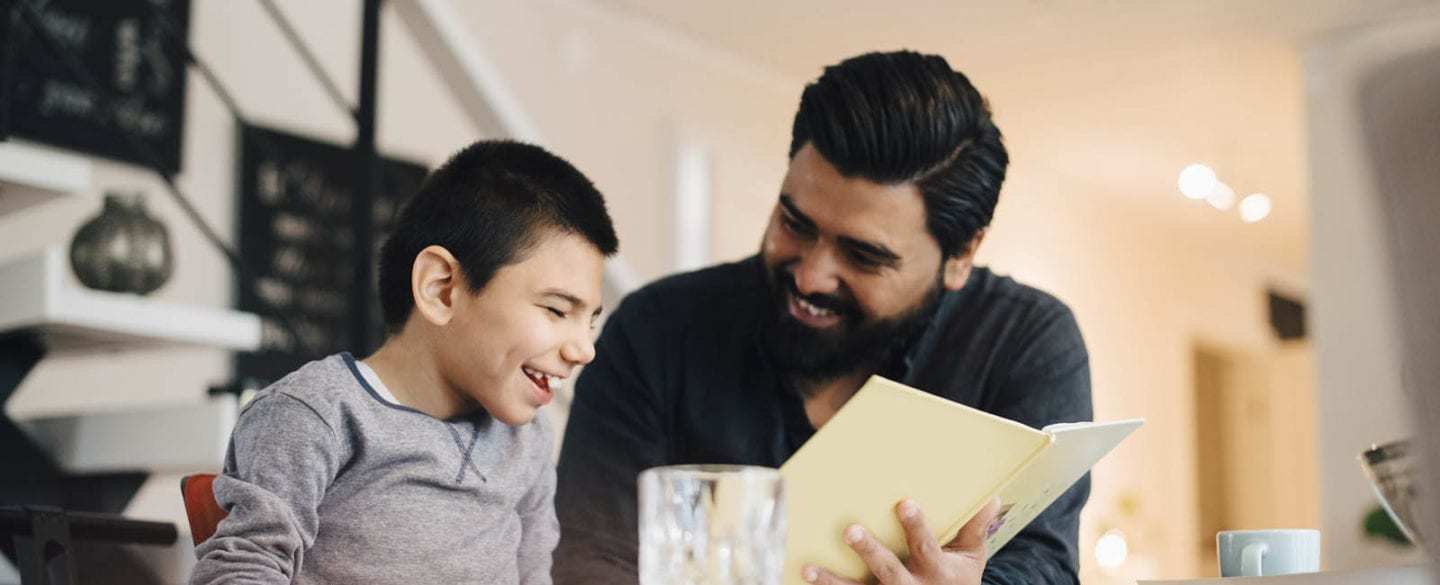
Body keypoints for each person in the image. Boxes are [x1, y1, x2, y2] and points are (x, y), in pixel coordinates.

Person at [553, 50, 1092, 585]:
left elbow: (1043, 565)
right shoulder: (658, 329)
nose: (811, 277)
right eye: (795, 223)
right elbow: (588, 560)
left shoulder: (1024, 342)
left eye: (863, 256)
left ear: (961, 255)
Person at [189, 140, 618, 585]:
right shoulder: (317, 415)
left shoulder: (527, 441)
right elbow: (242, 570)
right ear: (441, 289)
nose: (584, 349)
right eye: (556, 310)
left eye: (590, 321)